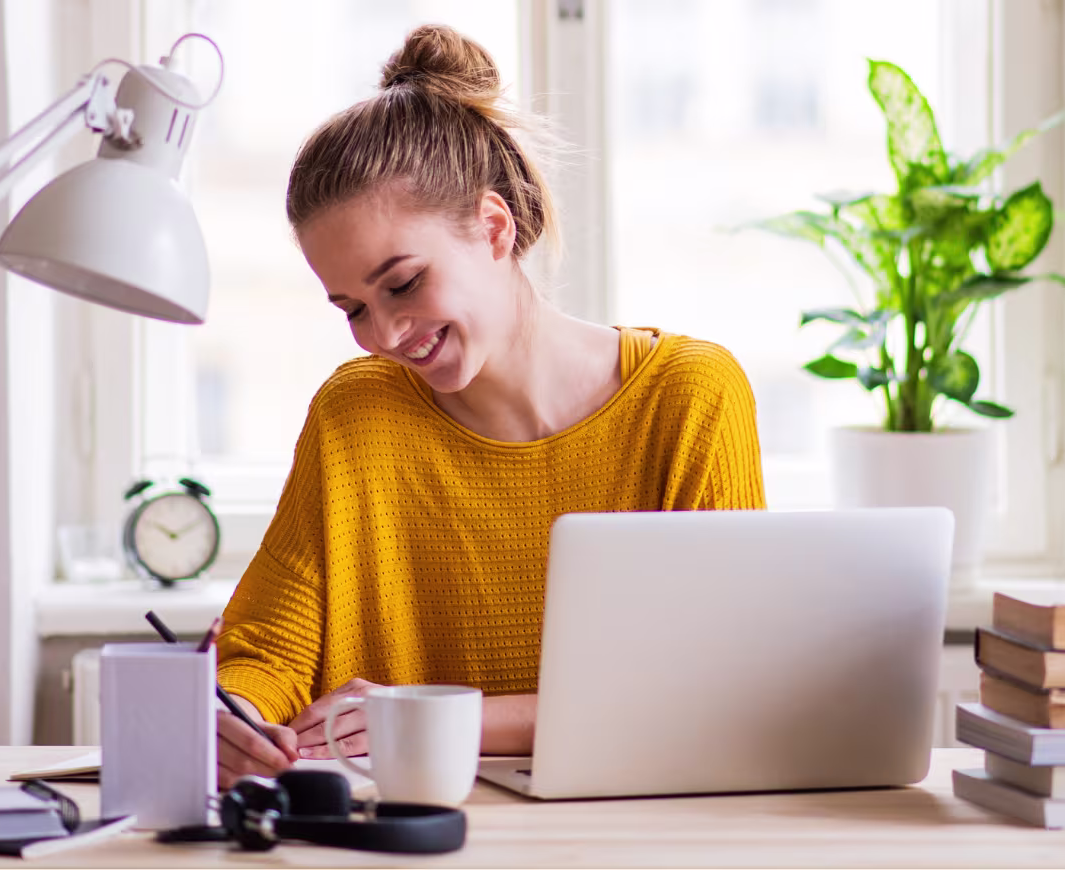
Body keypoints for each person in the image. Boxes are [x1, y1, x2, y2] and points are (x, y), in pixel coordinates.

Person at [214, 24, 766, 786]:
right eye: (353, 308)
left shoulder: (689, 396)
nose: (384, 334)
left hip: (638, 834)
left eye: (402, 283)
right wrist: (233, 718)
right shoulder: (356, 415)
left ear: (494, 226)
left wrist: (428, 716)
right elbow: (269, 651)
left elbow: (714, 685)